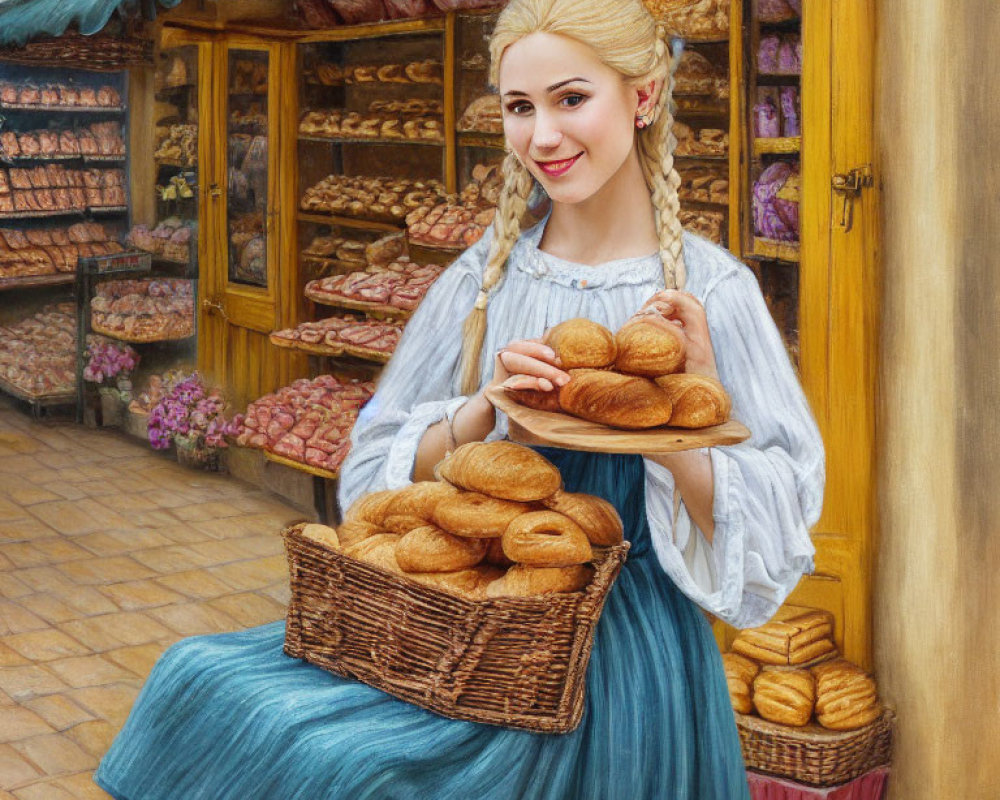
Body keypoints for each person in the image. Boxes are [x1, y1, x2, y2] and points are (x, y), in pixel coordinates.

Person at [96, 0, 823, 797]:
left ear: (644, 97)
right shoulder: (488, 275)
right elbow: (374, 469)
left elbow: (779, 523)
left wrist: (681, 415)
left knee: (356, 776)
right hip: (466, 623)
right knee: (195, 682)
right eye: (520, 107)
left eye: (571, 99)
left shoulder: (716, 292)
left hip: (617, 652)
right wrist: (484, 413)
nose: (542, 136)